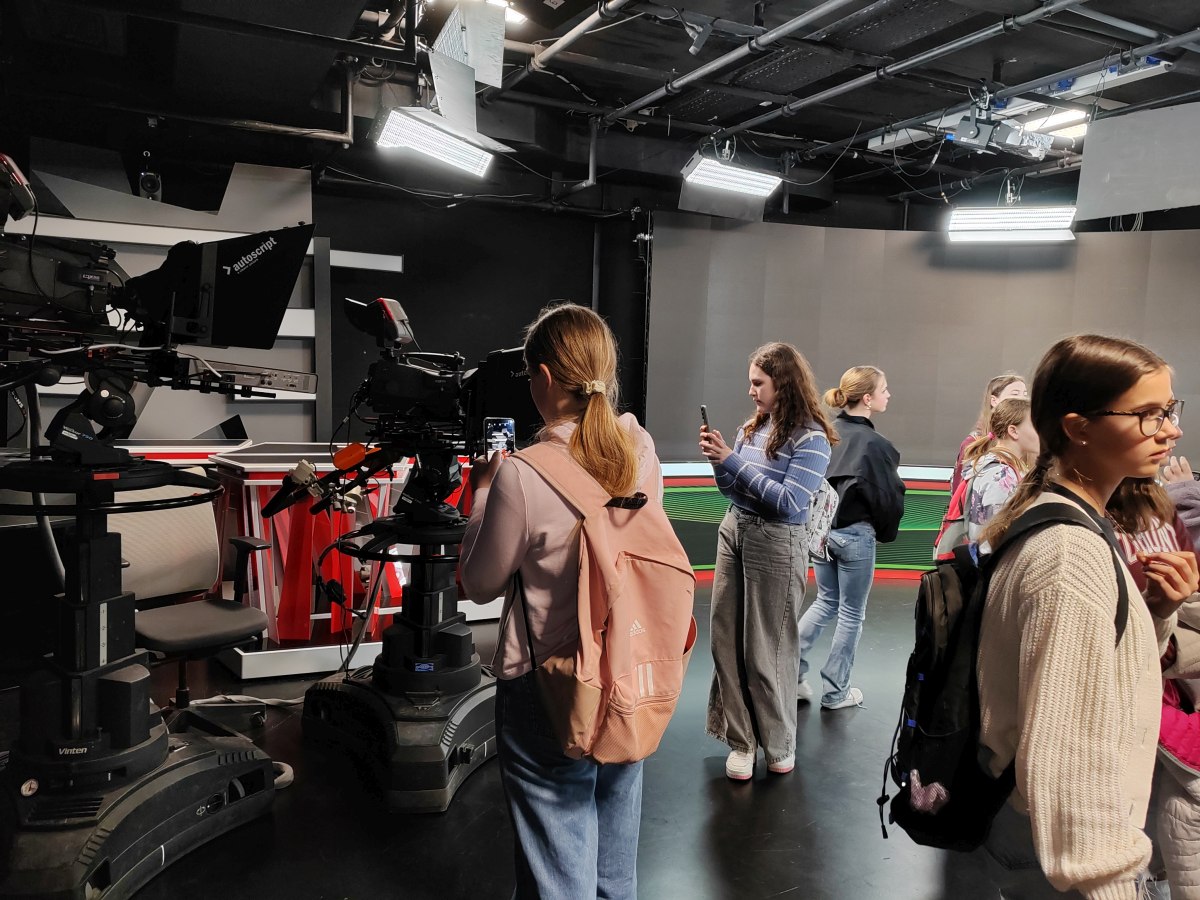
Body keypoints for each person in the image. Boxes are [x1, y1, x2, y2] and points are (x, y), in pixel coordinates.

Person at [975, 334, 1197, 898]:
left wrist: (1157, 612)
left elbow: (1106, 675)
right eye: (1148, 414)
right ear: (1078, 427)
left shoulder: (1069, 519)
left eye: (1169, 410)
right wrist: (1110, 884)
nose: (1170, 430)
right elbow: (1065, 758)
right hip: (1064, 861)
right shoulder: (1070, 555)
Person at [459, 302, 663, 900]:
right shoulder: (641, 450)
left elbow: (479, 583)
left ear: (545, 377)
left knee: (556, 865)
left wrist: (482, 493)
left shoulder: (523, 474)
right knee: (614, 864)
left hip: (548, 684)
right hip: (628, 670)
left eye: (529, 376)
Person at [700, 342, 835, 781]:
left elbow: (789, 501)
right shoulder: (751, 429)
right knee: (725, 641)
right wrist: (721, 461)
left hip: (777, 542)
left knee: (767, 650)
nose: (751, 391)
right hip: (734, 529)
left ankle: (779, 745)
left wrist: (732, 460)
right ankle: (742, 743)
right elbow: (732, 490)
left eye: (758, 383)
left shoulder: (812, 439)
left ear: (784, 383)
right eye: (751, 382)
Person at [796, 366, 906, 710]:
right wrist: (883, 532)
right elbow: (888, 500)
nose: (889, 395)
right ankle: (836, 692)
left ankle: (790, 676)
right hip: (856, 537)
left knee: (825, 601)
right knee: (851, 613)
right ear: (868, 399)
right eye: (885, 389)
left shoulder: (825, 435)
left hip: (822, 534)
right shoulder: (877, 446)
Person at [960, 397, 1039, 546]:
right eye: (1035, 425)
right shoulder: (1001, 475)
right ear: (1013, 431)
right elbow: (995, 534)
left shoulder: (1000, 467)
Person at [950, 373, 1028, 496]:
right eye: (1015, 394)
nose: (1022, 400)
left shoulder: (1027, 441)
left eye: (1025, 394)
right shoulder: (973, 442)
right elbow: (960, 491)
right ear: (994, 400)